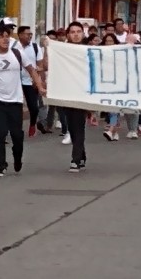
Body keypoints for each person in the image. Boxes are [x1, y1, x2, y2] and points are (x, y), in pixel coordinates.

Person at [0, 25, 46, 177]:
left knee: (17, 135)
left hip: (15, 101)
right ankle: (0, 165)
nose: (5, 39)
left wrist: (40, 87)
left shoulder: (18, 53)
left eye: (7, 36)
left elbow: (32, 70)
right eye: (1, 37)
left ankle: (17, 157)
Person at [58, 22, 89, 172]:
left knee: (79, 125)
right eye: (72, 32)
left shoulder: (90, 50)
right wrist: (47, 47)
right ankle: (82, 154)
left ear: (83, 34)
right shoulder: (62, 50)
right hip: (67, 92)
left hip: (83, 93)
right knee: (71, 126)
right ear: (68, 35)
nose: (76, 34)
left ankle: (75, 159)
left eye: (78, 31)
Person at [15, 25, 45, 137]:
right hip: (16, 82)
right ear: (20, 35)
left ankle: (33, 124)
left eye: (31, 34)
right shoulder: (14, 47)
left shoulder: (35, 47)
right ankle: (16, 128)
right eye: (27, 34)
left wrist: (39, 80)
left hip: (30, 82)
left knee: (34, 107)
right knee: (16, 107)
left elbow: (40, 65)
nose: (30, 36)